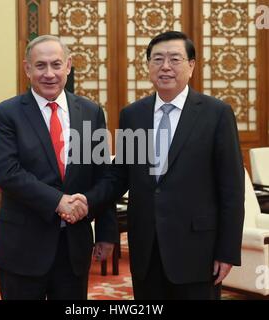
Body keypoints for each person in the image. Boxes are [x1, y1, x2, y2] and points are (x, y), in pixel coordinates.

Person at [80, 31, 245, 300]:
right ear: (148, 65)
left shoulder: (216, 114)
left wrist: (227, 251)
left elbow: (232, 189)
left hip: (197, 249)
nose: (165, 66)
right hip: (146, 246)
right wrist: (86, 201)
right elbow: (119, 176)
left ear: (191, 66)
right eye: (157, 59)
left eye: (175, 59)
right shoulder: (133, 115)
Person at [0, 35, 118, 300]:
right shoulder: (7, 113)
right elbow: (6, 171)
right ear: (27, 68)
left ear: (68, 66)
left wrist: (106, 232)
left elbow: (103, 174)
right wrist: (58, 201)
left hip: (73, 248)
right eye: (40, 66)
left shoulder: (91, 112)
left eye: (56, 65)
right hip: (22, 247)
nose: (49, 73)